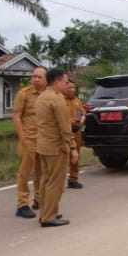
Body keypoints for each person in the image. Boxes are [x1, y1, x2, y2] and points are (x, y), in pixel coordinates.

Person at [35, 69, 79, 227]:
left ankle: (45, 213)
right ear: (58, 81)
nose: (67, 85)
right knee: (55, 182)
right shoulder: (57, 98)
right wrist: (73, 147)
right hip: (55, 147)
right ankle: (49, 217)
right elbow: (65, 127)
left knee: (45, 180)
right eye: (66, 82)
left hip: (43, 145)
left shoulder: (42, 96)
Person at [12, 66, 47, 219]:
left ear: (46, 79)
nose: (35, 79)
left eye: (39, 77)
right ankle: (22, 204)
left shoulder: (49, 94)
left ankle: (39, 200)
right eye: (34, 76)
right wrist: (22, 137)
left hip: (44, 139)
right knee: (25, 172)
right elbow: (17, 116)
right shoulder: (24, 94)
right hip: (29, 139)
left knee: (42, 171)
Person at [65, 79, 85, 189]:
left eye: (73, 87)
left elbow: (83, 113)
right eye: (69, 87)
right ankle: (57, 181)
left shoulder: (77, 100)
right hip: (65, 132)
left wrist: (81, 120)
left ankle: (73, 179)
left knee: (75, 156)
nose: (71, 89)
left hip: (76, 132)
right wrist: (69, 121)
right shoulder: (61, 100)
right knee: (63, 157)